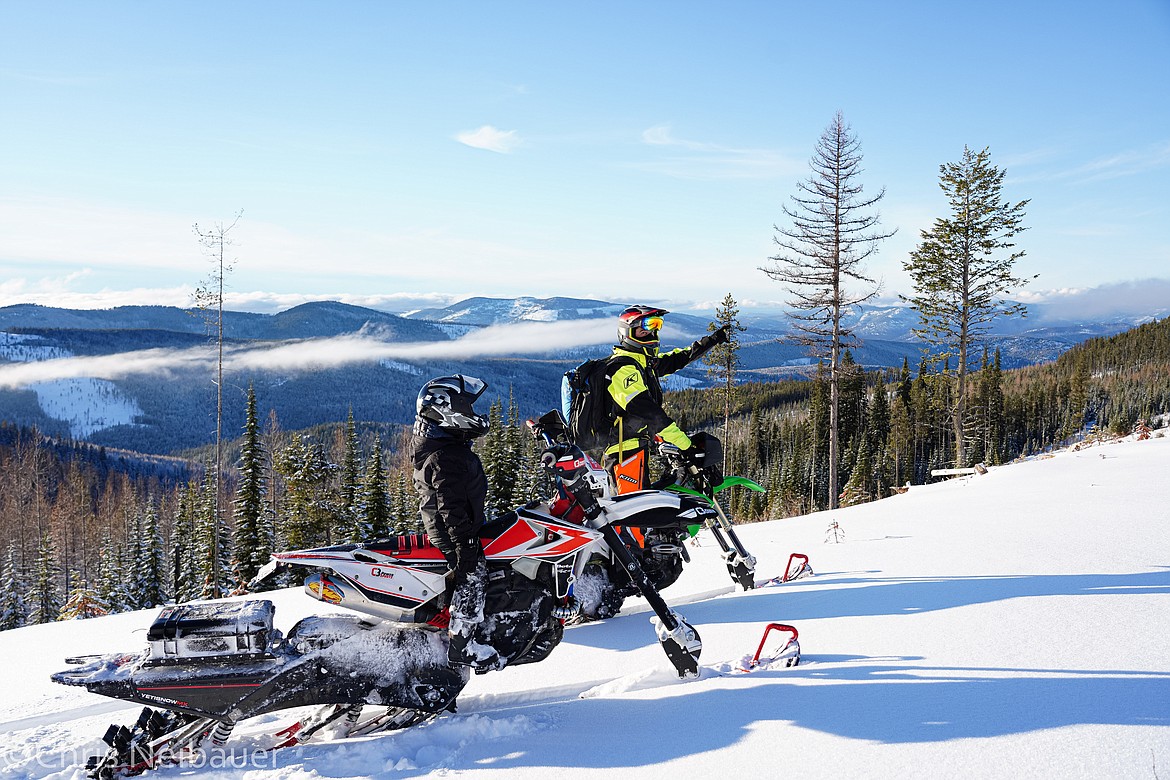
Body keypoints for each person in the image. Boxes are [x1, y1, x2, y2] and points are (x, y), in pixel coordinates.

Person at [409, 374, 492, 668]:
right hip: (451, 531)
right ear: (448, 413)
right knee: (474, 575)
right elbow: (451, 505)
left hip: (451, 527)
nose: (473, 415)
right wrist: (465, 545)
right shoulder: (445, 456)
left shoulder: (439, 445)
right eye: (466, 409)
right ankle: (462, 644)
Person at [603, 305, 730, 494]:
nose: (651, 333)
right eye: (644, 329)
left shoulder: (641, 364)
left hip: (635, 447)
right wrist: (685, 445)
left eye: (656, 326)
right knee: (635, 515)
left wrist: (711, 341)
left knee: (644, 506)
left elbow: (679, 358)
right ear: (628, 332)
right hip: (623, 454)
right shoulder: (623, 370)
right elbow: (651, 415)